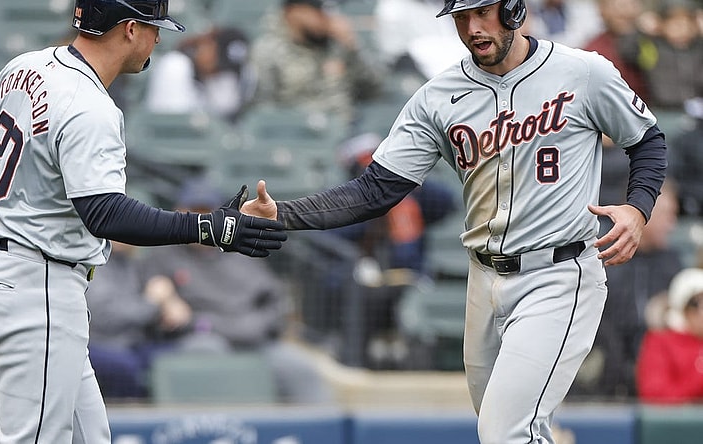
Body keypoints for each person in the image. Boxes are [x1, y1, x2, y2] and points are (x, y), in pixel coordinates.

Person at [240, 1, 668, 442]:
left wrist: (637, 208)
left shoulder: (583, 72)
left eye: (483, 12)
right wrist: (283, 213)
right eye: (462, 16)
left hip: (558, 273)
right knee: (515, 431)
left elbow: (648, 140)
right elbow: (375, 191)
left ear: (515, 10)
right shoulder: (439, 95)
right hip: (483, 280)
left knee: (505, 433)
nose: (473, 27)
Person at [0, 1, 286, 442]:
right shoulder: (90, 105)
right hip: (37, 285)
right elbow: (106, 213)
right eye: (152, 26)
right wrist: (208, 227)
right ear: (128, 29)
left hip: (15, 273)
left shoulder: (24, 66)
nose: (158, 38)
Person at [139, 178, 334, 404]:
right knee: (210, 357)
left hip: (255, 340)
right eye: (195, 211)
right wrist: (183, 313)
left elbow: (275, 301)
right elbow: (158, 308)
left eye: (207, 211)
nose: (202, 218)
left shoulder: (240, 250)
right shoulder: (163, 256)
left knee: (300, 370)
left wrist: (258, 325)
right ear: (180, 212)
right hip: (204, 338)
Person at [576, 181, 683, 399]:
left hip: (652, 367)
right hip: (603, 364)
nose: (672, 225)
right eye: (668, 215)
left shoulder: (673, 263)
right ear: (647, 214)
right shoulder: (603, 253)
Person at [249, 0, 385, 124]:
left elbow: (375, 91)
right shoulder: (268, 50)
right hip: (296, 134)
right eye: (318, 10)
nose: (326, 17)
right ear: (294, 11)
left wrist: (352, 47)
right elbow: (263, 110)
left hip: (346, 128)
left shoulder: (337, 45)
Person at [86, 241, 191, 400]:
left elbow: (159, 301)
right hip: (99, 343)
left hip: (136, 343)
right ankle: (127, 422)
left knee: (183, 355)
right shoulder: (92, 263)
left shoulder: (136, 264)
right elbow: (105, 317)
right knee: (123, 366)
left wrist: (168, 314)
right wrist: (152, 304)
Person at [144, 26, 254, 122]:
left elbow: (227, 111)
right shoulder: (175, 64)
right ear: (207, 44)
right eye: (218, 65)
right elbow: (175, 123)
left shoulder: (230, 74)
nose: (217, 72)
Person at [636, 267, 703, 404]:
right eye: (697, 304)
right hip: (681, 422)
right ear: (683, 307)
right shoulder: (660, 342)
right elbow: (656, 395)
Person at [582, 0, 650, 102]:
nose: (624, 11)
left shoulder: (650, 40)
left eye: (631, 4)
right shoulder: (594, 52)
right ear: (602, 10)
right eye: (616, 5)